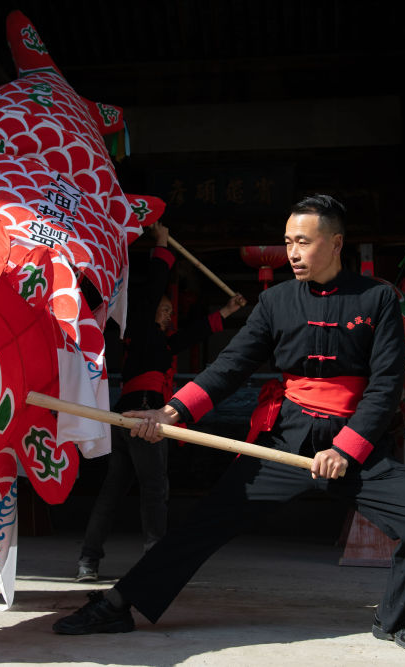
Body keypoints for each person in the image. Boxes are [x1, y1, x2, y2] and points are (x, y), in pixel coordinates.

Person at [53, 194, 405, 652]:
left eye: (303, 241)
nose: (293, 253)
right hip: (288, 439)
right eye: (287, 242)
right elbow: (230, 366)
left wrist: (345, 450)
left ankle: (394, 616)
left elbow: (386, 387)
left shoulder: (377, 299)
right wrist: (169, 413)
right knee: (203, 524)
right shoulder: (276, 301)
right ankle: (118, 605)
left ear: (336, 243)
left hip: (352, 443)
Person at [75, 220, 246, 582]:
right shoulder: (137, 329)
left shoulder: (160, 344)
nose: (167, 315)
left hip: (125, 416)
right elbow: (153, 289)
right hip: (144, 413)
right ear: (148, 312)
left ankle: (88, 560)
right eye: (163, 311)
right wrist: (163, 246)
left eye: (170, 313)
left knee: (114, 490)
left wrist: (229, 311)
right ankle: (154, 562)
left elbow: (190, 335)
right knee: (155, 489)